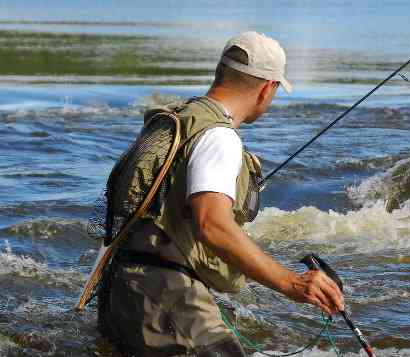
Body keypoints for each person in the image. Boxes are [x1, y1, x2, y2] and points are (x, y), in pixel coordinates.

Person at [97, 31, 345, 357]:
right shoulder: (219, 138)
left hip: (121, 290)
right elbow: (211, 225)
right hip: (164, 296)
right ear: (267, 88)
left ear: (220, 71)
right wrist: (291, 283)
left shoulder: (175, 121)